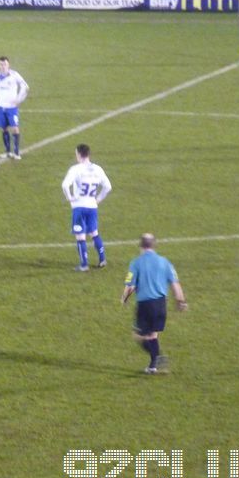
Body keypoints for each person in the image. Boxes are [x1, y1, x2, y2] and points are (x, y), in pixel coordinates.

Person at [121, 233, 187, 374]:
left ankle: (158, 357)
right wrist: (180, 301)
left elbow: (130, 285)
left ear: (141, 246)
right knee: (153, 335)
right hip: (161, 304)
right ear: (154, 245)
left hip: (145, 304)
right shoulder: (165, 262)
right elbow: (175, 283)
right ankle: (153, 367)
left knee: (138, 335)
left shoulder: (136, 262)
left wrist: (124, 298)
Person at [61, 144, 112, 271]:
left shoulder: (75, 169)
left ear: (78, 154)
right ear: (88, 154)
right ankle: (102, 259)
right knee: (94, 233)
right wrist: (98, 199)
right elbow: (108, 187)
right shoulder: (97, 169)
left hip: (79, 207)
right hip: (92, 206)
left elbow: (65, 185)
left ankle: (84, 264)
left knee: (80, 236)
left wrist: (69, 197)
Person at [0, 56, 29, 160]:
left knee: (15, 128)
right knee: (4, 129)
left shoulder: (14, 75)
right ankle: (7, 151)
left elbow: (25, 86)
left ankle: (16, 152)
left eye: (5, 64)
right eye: (1, 64)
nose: (3, 66)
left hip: (12, 108)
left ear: (9, 65)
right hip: (0, 107)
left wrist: (18, 100)